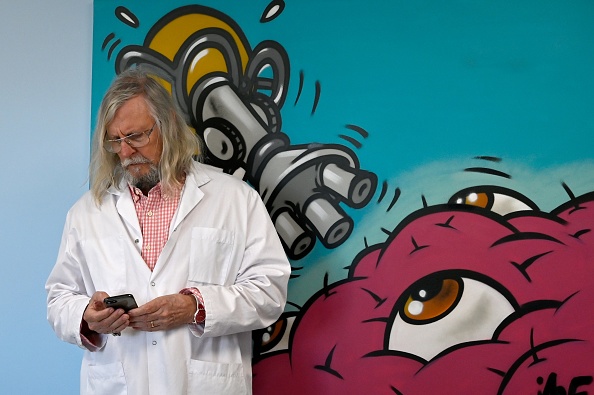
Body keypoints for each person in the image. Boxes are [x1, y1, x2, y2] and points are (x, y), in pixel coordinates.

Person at [45, 68, 291, 395]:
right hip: (117, 384)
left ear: (169, 125)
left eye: (136, 137)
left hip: (205, 384)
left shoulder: (235, 199)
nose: (125, 152)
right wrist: (86, 317)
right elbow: (59, 297)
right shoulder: (87, 212)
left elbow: (270, 289)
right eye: (115, 140)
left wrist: (196, 307)